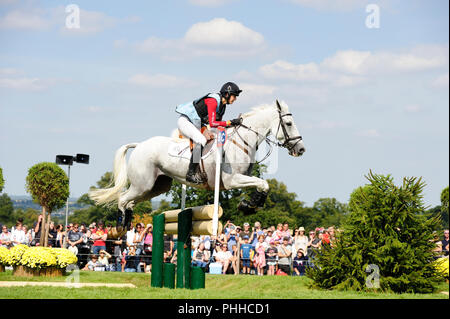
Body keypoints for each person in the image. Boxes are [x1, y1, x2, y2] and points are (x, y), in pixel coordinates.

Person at [175, 82, 243, 184]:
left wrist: (232, 124)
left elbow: (218, 125)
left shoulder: (222, 106)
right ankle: (191, 173)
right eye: (234, 96)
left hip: (198, 124)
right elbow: (213, 123)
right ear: (227, 94)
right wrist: (230, 122)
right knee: (201, 140)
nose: (235, 99)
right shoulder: (213, 101)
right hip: (186, 121)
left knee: (212, 137)